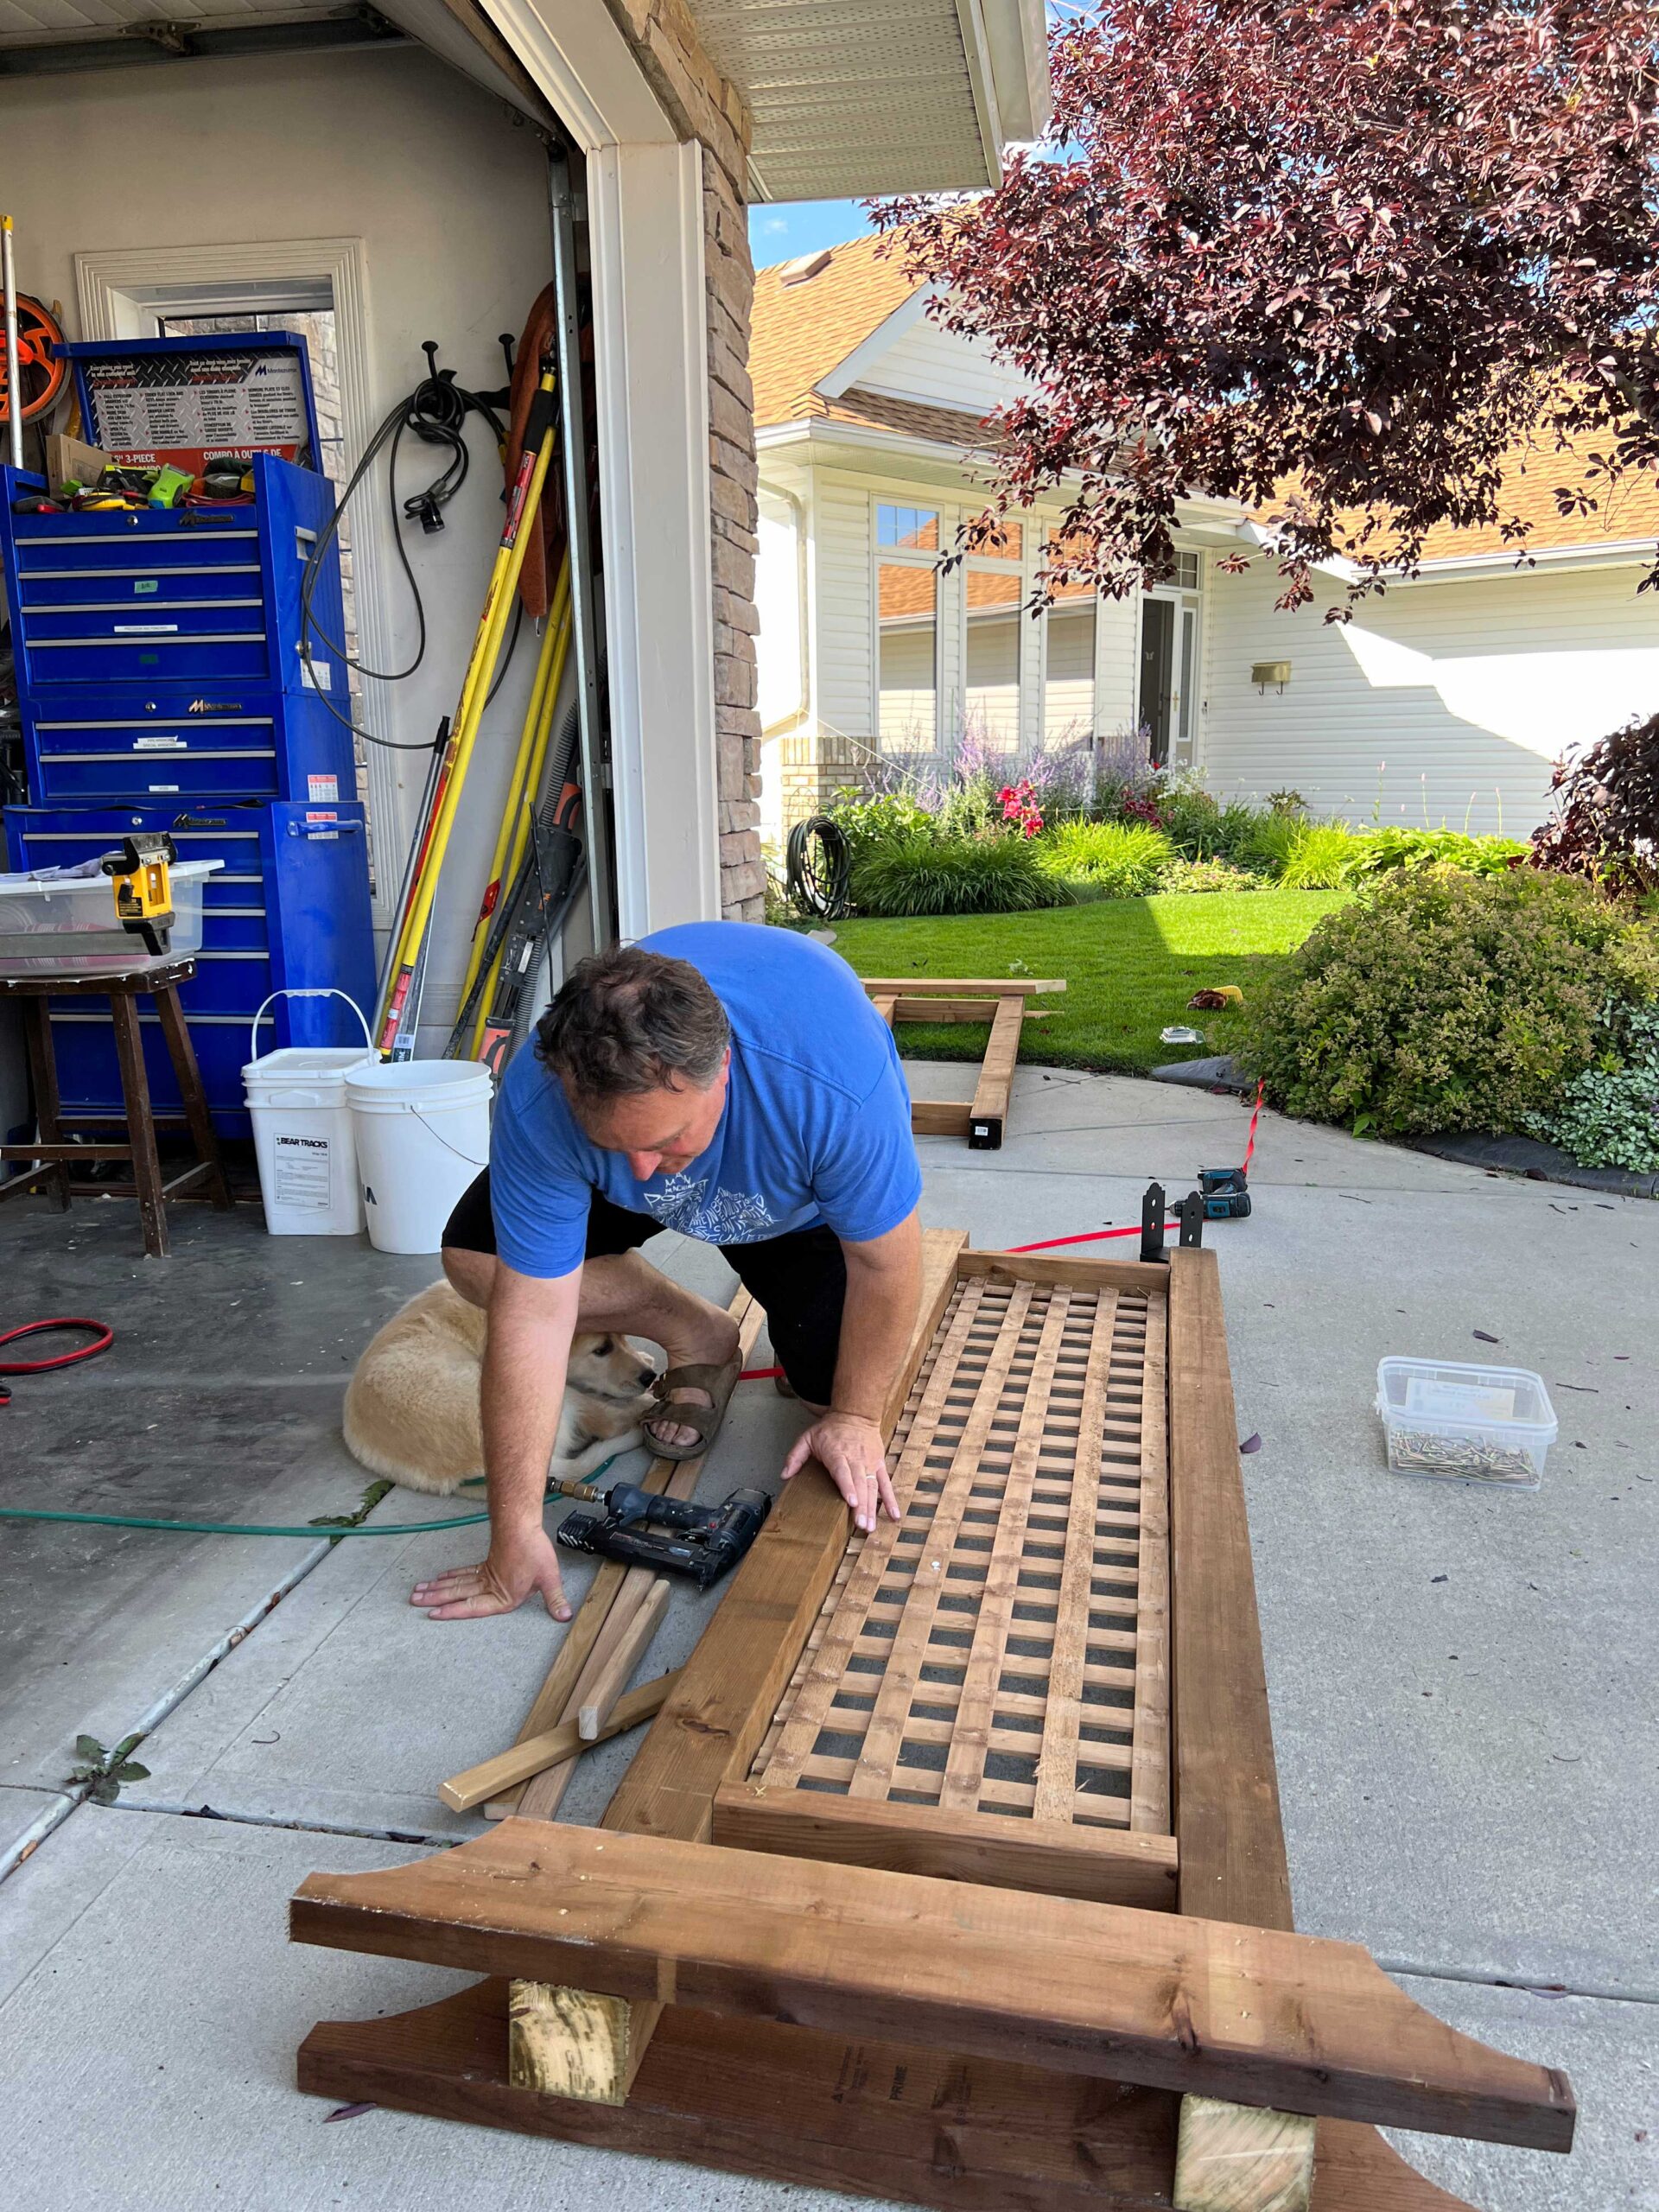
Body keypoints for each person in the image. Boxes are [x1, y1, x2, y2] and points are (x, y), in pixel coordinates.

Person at [410, 921, 923, 1623]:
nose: (644, 1174)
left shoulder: (829, 1083)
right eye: (615, 1146)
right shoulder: (542, 1097)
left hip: (790, 1206)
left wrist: (859, 1417)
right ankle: (694, 1331)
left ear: (724, 1070)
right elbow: (533, 1315)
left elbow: (886, 1263)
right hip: (653, 1138)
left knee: (833, 1396)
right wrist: (516, 1525)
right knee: (481, 1262)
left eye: (666, 1139)